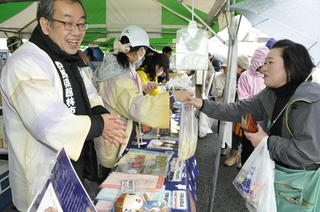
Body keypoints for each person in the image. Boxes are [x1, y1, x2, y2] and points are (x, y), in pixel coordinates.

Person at [0, 0, 127, 210]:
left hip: (72, 176)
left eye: (81, 24)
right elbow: (50, 123)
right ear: (45, 24)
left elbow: (90, 94)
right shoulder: (25, 62)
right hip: (40, 185)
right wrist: (101, 125)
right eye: (68, 24)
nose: (77, 32)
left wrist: (103, 116)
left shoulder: (68, 58)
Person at [187, 39, 320, 211]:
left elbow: (307, 152)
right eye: (264, 62)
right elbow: (238, 110)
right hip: (275, 173)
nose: (262, 68)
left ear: (291, 66)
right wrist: (203, 104)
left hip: (300, 184)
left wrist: (266, 141)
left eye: (270, 63)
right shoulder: (270, 94)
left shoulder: (311, 101)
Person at [93, 25, 193, 173]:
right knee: (113, 177)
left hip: (116, 130)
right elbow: (135, 105)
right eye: (145, 50)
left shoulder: (120, 66)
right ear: (139, 50)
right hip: (114, 138)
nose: (145, 54)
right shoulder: (118, 76)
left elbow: (127, 91)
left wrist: (145, 87)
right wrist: (173, 96)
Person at [225, 46, 269, 168]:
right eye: (261, 64)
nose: (263, 68)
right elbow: (243, 98)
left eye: (266, 64)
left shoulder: (267, 76)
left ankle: (256, 173)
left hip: (265, 120)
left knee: (263, 148)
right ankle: (241, 163)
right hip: (249, 118)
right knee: (246, 145)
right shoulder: (246, 76)